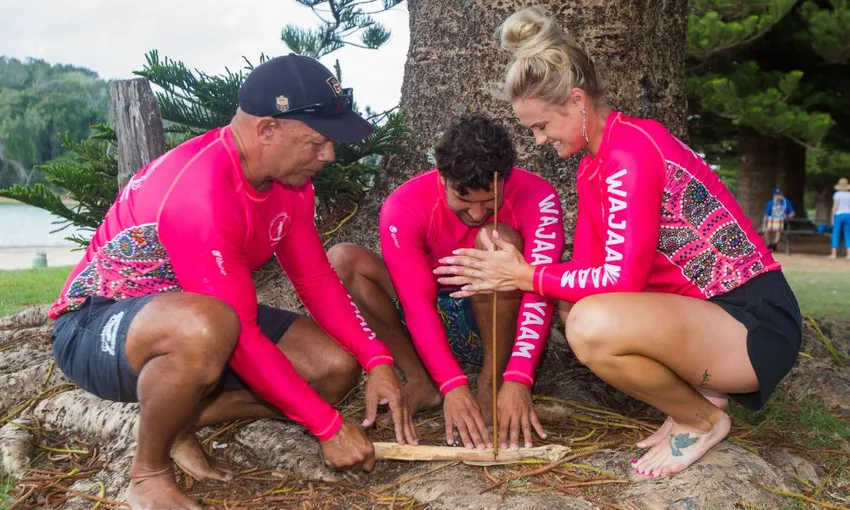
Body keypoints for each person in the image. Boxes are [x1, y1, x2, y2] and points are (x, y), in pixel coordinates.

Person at [434, 7, 802, 478]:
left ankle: (702, 419)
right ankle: (695, 401)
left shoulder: (630, 151)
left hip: (753, 325)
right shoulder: (594, 166)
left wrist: (524, 274)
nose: (539, 140)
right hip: (709, 321)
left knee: (589, 323)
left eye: (542, 126)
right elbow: (589, 271)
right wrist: (527, 276)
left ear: (577, 101)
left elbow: (620, 278)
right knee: (573, 308)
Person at [48, 54, 416, 510]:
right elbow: (236, 332)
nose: (329, 155)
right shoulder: (201, 192)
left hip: (201, 315)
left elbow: (316, 279)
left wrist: (376, 358)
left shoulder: (291, 182)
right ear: (267, 130)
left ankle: (180, 417)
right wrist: (327, 427)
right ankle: (148, 473)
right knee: (207, 327)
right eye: (318, 141)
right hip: (94, 326)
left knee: (333, 367)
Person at [327, 116, 565, 452]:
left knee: (494, 240)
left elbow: (541, 293)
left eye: (489, 201)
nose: (477, 212)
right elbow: (416, 304)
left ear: (506, 178)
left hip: (500, 319)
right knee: (343, 260)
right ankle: (422, 381)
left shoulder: (539, 197)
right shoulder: (405, 204)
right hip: (429, 318)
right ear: (442, 177)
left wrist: (518, 376)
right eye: (464, 200)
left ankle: (490, 381)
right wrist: (452, 384)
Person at [829, 177, 850, 259]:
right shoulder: (849, 195)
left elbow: (835, 207)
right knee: (848, 234)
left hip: (839, 215)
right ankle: (849, 254)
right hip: (848, 214)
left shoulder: (837, 194)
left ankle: (834, 253)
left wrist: (832, 217)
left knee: (836, 233)